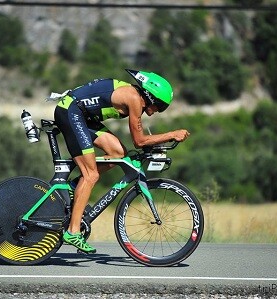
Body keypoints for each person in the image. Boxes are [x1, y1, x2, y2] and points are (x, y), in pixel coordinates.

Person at [53, 69, 190, 253]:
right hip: (71, 112)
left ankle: (75, 186)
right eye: (159, 106)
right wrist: (172, 134)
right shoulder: (133, 98)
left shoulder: (134, 95)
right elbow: (139, 141)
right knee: (91, 175)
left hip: (83, 116)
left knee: (118, 153)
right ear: (149, 96)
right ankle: (73, 231)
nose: (157, 111)